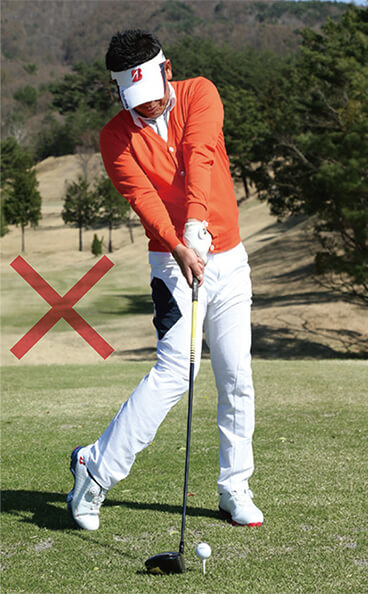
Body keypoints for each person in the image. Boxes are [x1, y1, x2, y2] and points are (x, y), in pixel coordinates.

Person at [67, 29, 263, 531]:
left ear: (167, 70)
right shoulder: (115, 137)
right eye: (133, 97)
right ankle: (96, 469)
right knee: (178, 370)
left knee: (236, 375)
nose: (147, 105)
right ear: (117, 91)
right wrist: (179, 244)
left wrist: (196, 224)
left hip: (228, 257)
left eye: (152, 92)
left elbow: (200, 155)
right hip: (172, 262)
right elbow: (143, 198)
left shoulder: (201, 93)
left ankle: (234, 487)